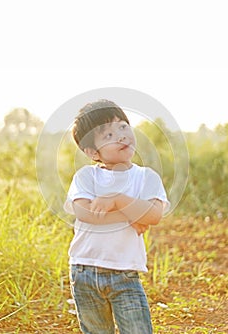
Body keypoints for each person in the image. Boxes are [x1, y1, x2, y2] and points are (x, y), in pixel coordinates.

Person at [64, 99, 170, 334]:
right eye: (109, 134)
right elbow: (86, 213)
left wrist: (117, 199)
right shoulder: (86, 177)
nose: (121, 136)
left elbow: (153, 215)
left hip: (125, 273)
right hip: (85, 269)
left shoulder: (146, 177)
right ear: (93, 152)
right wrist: (131, 214)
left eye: (123, 126)